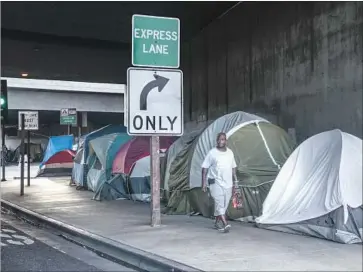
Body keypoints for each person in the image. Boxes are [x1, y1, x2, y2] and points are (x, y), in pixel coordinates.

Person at [202, 132, 238, 232]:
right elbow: (204, 168)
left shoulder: (230, 153)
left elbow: (233, 167)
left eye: (222, 139)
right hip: (215, 182)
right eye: (218, 139)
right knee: (219, 202)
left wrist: (235, 181)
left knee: (224, 204)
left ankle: (217, 221)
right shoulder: (212, 153)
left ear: (226, 141)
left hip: (228, 183)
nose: (220, 141)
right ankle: (225, 223)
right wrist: (204, 183)